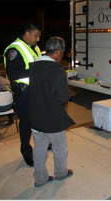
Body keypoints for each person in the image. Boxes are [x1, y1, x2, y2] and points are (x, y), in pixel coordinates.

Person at [29, 36, 75, 187]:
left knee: (40, 148)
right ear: (56, 52)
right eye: (61, 53)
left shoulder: (34, 66)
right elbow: (61, 96)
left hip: (36, 116)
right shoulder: (56, 70)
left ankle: (40, 178)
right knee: (59, 147)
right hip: (52, 117)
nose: (61, 57)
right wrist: (67, 96)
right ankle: (61, 173)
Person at [3, 24, 42, 167]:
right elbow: (13, 74)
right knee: (26, 124)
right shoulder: (14, 49)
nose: (38, 39)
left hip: (37, 90)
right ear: (27, 33)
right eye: (36, 36)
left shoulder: (35, 48)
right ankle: (26, 152)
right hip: (24, 93)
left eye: (39, 36)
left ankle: (42, 144)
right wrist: (36, 70)